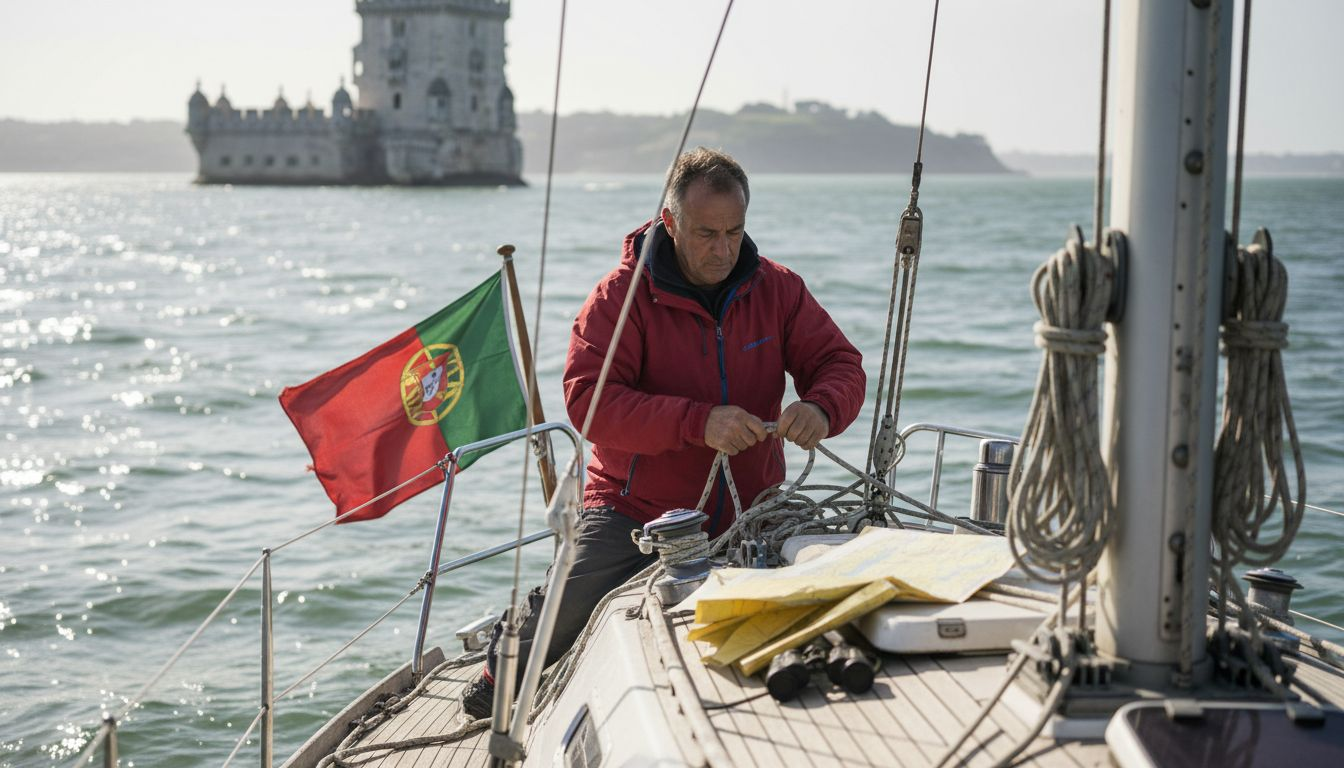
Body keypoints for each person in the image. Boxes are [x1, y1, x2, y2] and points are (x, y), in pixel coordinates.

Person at [462, 147, 866, 718]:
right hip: (635, 508)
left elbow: (841, 365)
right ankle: (493, 675)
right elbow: (589, 403)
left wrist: (823, 408)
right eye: (706, 233)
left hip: (757, 504)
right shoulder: (619, 296)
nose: (723, 249)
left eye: (734, 231)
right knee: (572, 595)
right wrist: (698, 423)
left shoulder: (778, 289)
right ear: (670, 222)